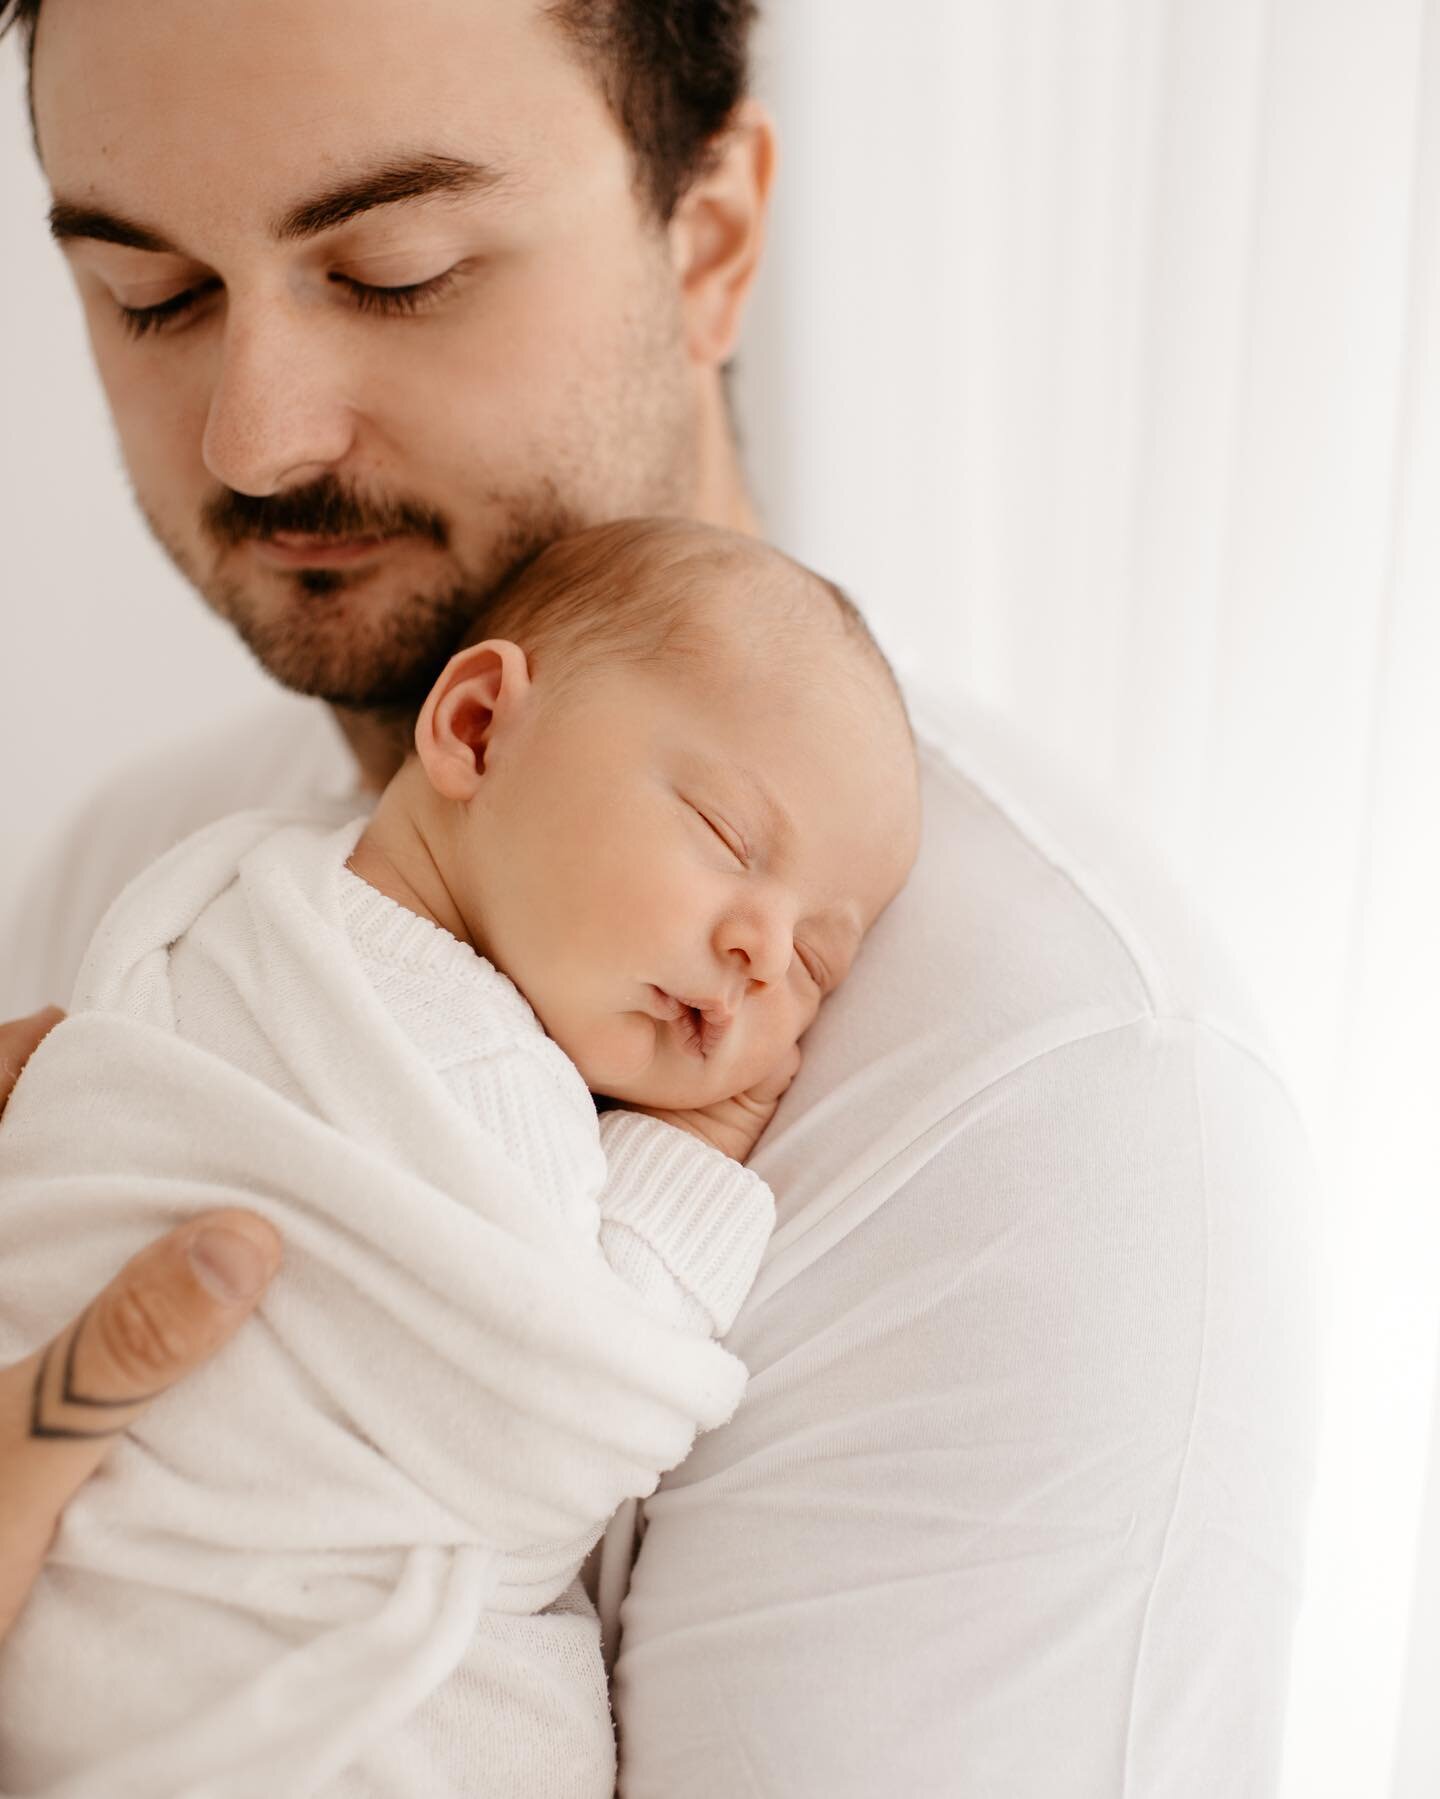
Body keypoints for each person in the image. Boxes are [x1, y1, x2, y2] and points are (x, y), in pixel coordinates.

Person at [0, 2, 1319, 1794]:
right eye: (150, 290)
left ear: (709, 239)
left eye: (397, 269)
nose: (253, 432)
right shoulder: (132, 877)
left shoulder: (1053, 1102)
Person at [0, 517, 920, 1796]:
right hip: (280, 1708)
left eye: (818, 962)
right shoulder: (477, 1076)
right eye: (723, 833)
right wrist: (696, 1162)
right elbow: (559, 1403)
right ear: (479, 726)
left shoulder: (224, 900)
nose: (767, 949)